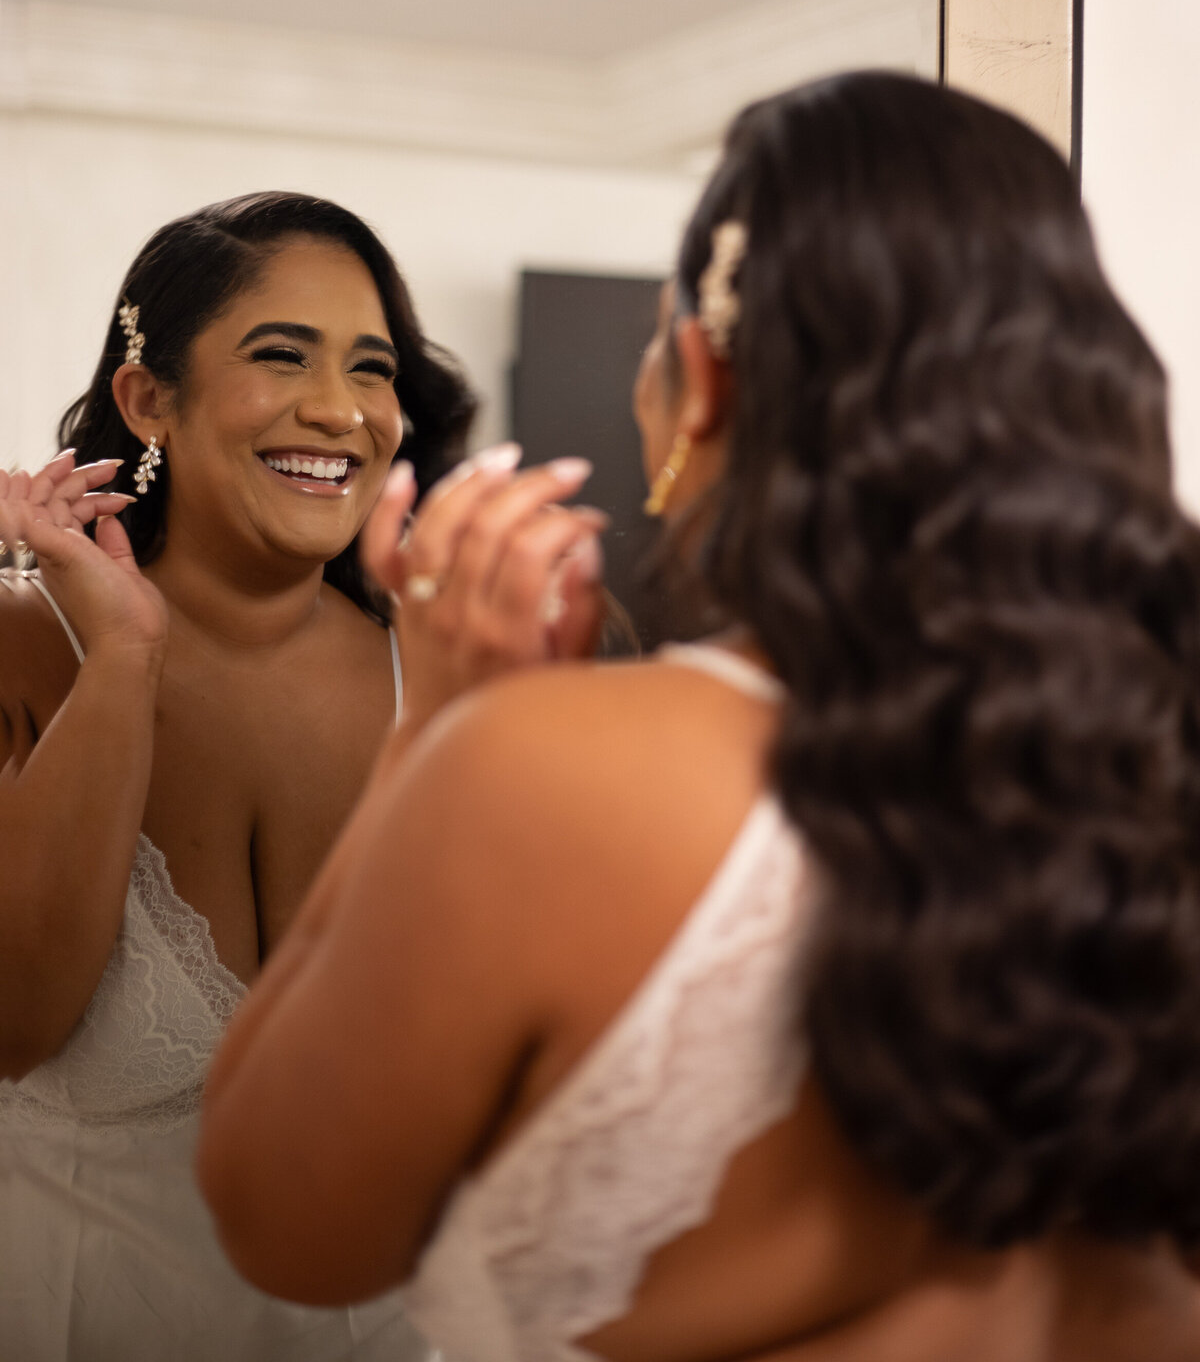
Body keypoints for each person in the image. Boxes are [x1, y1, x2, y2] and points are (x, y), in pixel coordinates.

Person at [197, 77, 1200, 1361]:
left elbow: (285, 1223)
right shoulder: (1151, 762)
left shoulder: (547, 773)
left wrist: (437, 725)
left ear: (707, 379)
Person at [0, 189, 604, 1361]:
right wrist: (123, 658)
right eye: (281, 357)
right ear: (147, 399)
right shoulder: (28, 647)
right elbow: (15, 1027)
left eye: (370, 370)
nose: (339, 412)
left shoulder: (446, 674)